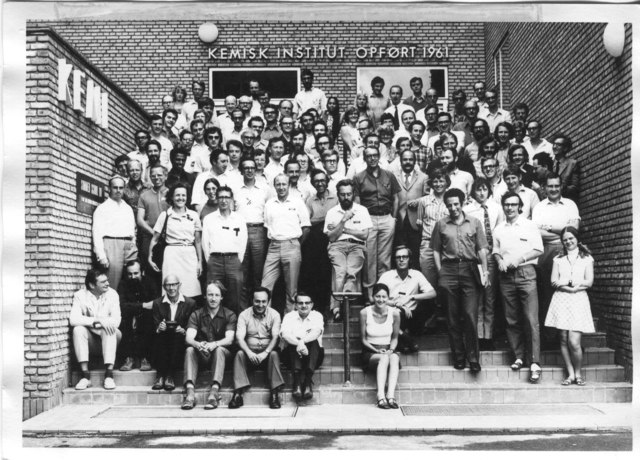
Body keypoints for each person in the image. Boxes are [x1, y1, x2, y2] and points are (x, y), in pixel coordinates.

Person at [431, 188, 489, 372]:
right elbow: (436, 250)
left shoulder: (474, 222)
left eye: (456, 204)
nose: (453, 208)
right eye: (449, 205)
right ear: (445, 206)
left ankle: (473, 358)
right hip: (448, 269)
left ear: (462, 203)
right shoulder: (441, 224)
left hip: (470, 269)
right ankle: (458, 356)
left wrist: (485, 272)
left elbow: (481, 249)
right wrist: (441, 272)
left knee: (470, 315)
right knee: (452, 316)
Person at [493, 191, 544, 383]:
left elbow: (539, 249)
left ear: (519, 207)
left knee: (531, 319)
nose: (510, 208)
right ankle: (519, 356)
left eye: (514, 204)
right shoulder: (499, 229)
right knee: (511, 318)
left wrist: (519, 259)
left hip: (526, 273)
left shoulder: (529, 225)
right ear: (503, 206)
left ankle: (535, 362)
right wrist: (499, 261)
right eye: (507, 204)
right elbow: (496, 251)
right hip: (506, 276)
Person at [532, 173, 581, 345]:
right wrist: (563, 231)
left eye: (556, 186)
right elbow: (537, 233)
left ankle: (570, 339)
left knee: (570, 293)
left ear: (561, 187)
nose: (553, 189)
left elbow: (574, 230)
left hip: (569, 252)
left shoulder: (570, 205)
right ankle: (550, 338)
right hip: (547, 252)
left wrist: (550, 227)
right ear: (544, 188)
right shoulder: (539, 207)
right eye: (550, 186)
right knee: (548, 294)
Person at [544, 227, 595, 386]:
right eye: (565, 239)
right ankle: (571, 374)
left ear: (577, 239)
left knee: (574, 341)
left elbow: (589, 281)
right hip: (562, 299)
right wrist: (568, 287)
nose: (568, 241)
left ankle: (579, 373)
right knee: (564, 339)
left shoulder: (587, 258)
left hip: (578, 299)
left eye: (571, 238)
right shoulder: (558, 258)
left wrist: (573, 286)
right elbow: (554, 281)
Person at [353, 146, 401, 302]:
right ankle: (370, 297)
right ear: (364, 158)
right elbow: (358, 203)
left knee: (385, 260)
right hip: (369, 220)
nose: (372, 158)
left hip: (387, 219)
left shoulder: (389, 175)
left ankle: (383, 295)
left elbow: (395, 198)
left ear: (379, 157)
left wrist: (393, 218)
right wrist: (362, 223)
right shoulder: (359, 178)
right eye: (369, 156)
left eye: (375, 155)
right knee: (369, 260)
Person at [462, 178, 504, 350]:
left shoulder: (497, 208)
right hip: (475, 257)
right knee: (476, 297)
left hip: (492, 256)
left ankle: (489, 336)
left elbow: (501, 231)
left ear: (489, 190)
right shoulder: (467, 210)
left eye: (484, 189)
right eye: (478, 190)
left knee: (489, 296)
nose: (481, 193)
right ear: (473, 192)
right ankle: (478, 335)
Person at [182, 281, 237, 409]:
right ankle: (190, 394)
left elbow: (229, 339)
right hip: (203, 354)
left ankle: (214, 393)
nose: (213, 298)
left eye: (217, 295)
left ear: (221, 297)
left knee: (219, 350)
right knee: (190, 350)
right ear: (205, 296)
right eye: (210, 295)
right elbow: (189, 338)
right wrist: (198, 344)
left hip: (222, 357)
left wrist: (214, 344)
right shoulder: (197, 314)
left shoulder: (229, 314)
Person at [229, 287, 285, 409]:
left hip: (267, 356)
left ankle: (274, 394)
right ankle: (238, 394)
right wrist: (249, 353)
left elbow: (276, 337)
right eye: (257, 301)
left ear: (268, 301)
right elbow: (239, 337)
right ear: (252, 300)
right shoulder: (244, 315)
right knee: (239, 354)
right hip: (250, 356)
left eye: (264, 301)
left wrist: (265, 352)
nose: (260, 305)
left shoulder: (274, 315)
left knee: (274, 354)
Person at [262, 174, 311, 313]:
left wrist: (296, 245)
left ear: (289, 185)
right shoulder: (269, 204)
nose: (281, 187)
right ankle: (265, 321)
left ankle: (289, 322)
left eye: (284, 184)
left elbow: (306, 227)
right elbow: (267, 227)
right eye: (278, 184)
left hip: (292, 245)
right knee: (265, 286)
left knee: (291, 290)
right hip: (274, 246)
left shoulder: (297, 202)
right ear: (274, 186)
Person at [324, 178, 372, 321]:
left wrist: (342, 228)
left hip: (357, 246)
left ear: (353, 194)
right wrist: (344, 219)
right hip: (337, 246)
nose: (346, 197)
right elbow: (331, 237)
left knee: (351, 273)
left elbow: (364, 235)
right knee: (340, 272)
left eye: (349, 194)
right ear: (338, 195)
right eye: (343, 194)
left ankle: (339, 306)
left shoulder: (362, 210)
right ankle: (341, 306)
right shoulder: (332, 212)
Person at [70, 267, 122, 390]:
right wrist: (97, 321)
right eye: (103, 282)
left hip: (110, 337)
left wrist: (103, 323)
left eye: (107, 280)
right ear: (92, 285)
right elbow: (73, 319)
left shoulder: (112, 294)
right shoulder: (79, 296)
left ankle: (109, 375)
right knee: (78, 329)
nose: (108, 284)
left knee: (109, 328)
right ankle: (85, 376)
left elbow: (116, 321)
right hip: (91, 341)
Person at [148, 183, 203, 299]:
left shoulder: (193, 215)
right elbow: (154, 239)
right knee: (171, 288)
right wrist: (150, 258)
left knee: (191, 289)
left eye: (183, 195)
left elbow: (198, 241)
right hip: (171, 255)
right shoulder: (165, 215)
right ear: (172, 197)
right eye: (177, 195)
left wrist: (200, 262)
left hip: (190, 255)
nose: (180, 198)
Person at [378, 246, 436, 353]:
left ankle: (403, 335)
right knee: (391, 314)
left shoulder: (416, 274)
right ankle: (404, 338)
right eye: (398, 257)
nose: (401, 260)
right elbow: (376, 298)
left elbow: (432, 293)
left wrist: (411, 297)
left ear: (409, 259)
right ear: (394, 260)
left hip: (412, 315)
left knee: (430, 303)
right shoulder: (387, 276)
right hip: (393, 314)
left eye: (404, 257)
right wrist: (396, 304)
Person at [201, 186, 247, 313]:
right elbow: (205, 243)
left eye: (227, 197)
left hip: (233, 260)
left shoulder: (239, 219)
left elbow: (243, 243)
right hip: (215, 261)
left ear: (231, 199)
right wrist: (210, 260)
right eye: (221, 197)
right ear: (216, 198)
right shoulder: (209, 219)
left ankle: (231, 329)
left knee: (234, 297)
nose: (224, 200)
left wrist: (236, 260)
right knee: (213, 295)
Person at [301, 169, 338, 316]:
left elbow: (338, 219)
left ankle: (332, 307)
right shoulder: (310, 200)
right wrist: (326, 219)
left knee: (329, 272)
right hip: (315, 240)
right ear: (313, 184)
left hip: (332, 238)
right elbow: (308, 221)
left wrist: (321, 220)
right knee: (317, 273)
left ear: (327, 182)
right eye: (317, 181)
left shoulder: (335, 199)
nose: (320, 183)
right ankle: (318, 307)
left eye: (323, 180)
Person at [151, 274, 197, 391]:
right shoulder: (157, 303)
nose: (171, 288)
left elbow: (193, 324)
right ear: (164, 287)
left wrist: (184, 330)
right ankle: (161, 375)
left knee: (176, 337)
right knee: (161, 337)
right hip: (163, 338)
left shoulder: (190, 303)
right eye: (168, 285)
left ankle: (169, 375)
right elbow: (154, 324)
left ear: (179, 285)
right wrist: (159, 327)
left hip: (180, 340)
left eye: (174, 284)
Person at [359, 283, 401, 409]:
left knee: (394, 357)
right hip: (370, 352)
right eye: (377, 296)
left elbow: (394, 338)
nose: (381, 300)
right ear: (372, 297)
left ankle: (390, 396)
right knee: (384, 358)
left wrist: (391, 350)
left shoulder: (395, 313)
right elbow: (363, 340)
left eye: (384, 297)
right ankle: (380, 396)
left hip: (388, 350)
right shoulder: (364, 312)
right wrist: (377, 351)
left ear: (388, 298)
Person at [92, 176, 138, 290]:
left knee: (130, 281)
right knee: (112, 283)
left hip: (128, 246)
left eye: (121, 188)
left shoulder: (127, 208)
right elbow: (97, 233)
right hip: (111, 245)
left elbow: (132, 231)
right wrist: (101, 256)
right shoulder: (102, 208)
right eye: (115, 187)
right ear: (109, 188)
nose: (118, 190)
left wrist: (133, 247)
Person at [280, 292, 325, 402]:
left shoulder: (317, 316)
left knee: (314, 342)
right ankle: (297, 382)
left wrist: (302, 342)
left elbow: (317, 332)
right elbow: (285, 334)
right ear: (295, 305)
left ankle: (308, 381)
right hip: (291, 357)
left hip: (313, 356)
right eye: (300, 303)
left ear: (312, 305)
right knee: (291, 343)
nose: (304, 305)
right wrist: (299, 344)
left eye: (307, 303)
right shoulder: (289, 316)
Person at [117, 261, 156, 372]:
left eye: (136, 273)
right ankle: (128, 359)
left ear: (142, 272)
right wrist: (142, 306)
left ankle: (145, 358)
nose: (133, 277)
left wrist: (137, 310)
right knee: (123, 321)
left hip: (146, 316)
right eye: (130, 274)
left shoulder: (150, 282)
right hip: (128, 316)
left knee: (148, 320)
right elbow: (122, 305)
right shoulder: (123, 284)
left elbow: (154, 304)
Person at [393, 149, 429, 269]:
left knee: (415, 254)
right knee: (399, 254)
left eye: (410, 159)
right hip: (399, 219)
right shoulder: (393, 176)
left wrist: (418, 201)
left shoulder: (424, 177)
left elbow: (428, 197)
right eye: (405, 159)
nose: (408, 162)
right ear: (401, 161)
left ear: (415, 161)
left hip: (416, 221)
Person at [550, 132, 580, 203]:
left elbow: (575, 187)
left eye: (558, 145)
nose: (554, 147)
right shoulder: (549, 164)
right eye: (554, 144)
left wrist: (560, 188)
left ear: (565, 148)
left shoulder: (572, 163)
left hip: (565, 202)